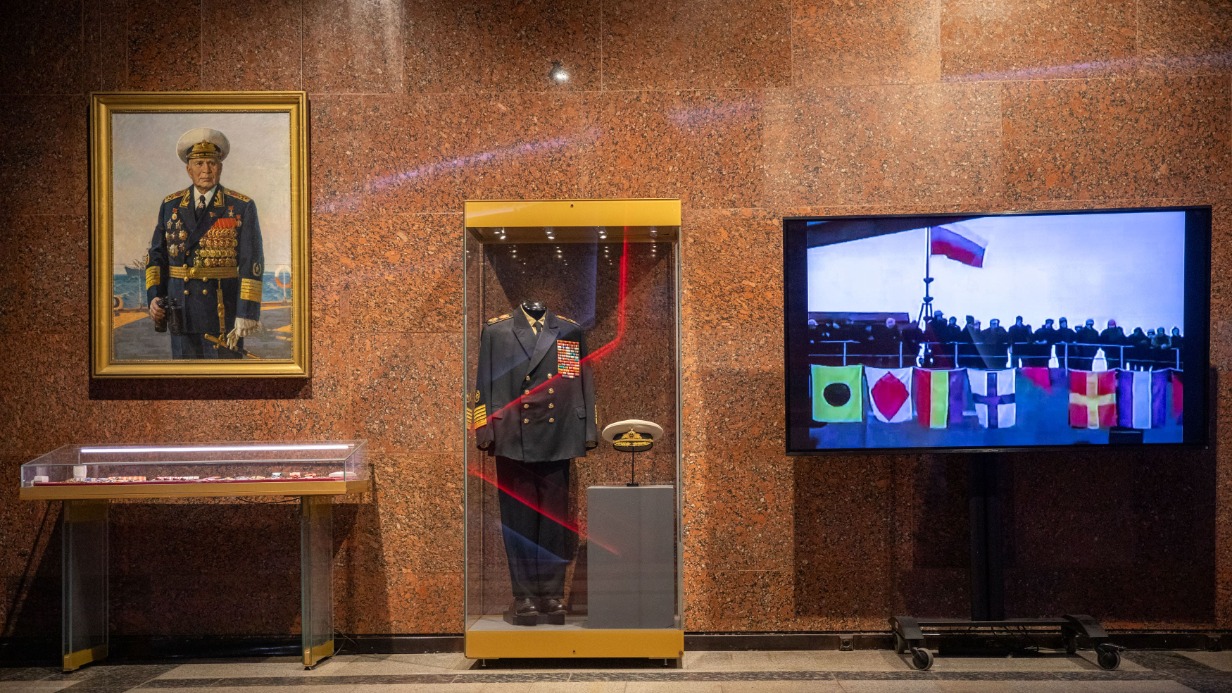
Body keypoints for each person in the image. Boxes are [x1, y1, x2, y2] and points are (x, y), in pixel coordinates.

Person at [473, 301, 598, 625]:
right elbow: (482, 383)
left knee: (555, 523)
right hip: (512, 436)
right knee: (518, 524)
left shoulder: (569, 331)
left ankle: (552, 595)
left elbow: (580, 378)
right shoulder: (496, 331)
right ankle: (524, 596)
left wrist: (587, 429)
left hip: (558, 436)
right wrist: (483, 430)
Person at [146, 128, 263, 358]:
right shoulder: (170, 205)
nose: (206, 170)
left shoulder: (241, 206)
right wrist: (154, 297)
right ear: (188, 169)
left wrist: (247, 312)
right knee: (185, 375)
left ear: (220, 167)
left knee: (225, 376)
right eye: (199, 163)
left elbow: (252, 262)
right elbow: (156, 256)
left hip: (221, 313)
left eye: (212, 163)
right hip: (181, 311)